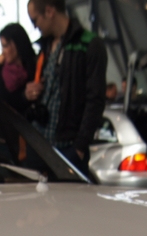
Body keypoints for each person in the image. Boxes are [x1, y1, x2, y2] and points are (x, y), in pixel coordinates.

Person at [24, 0, 108, 174]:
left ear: (49, 12)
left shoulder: (90, 45)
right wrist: (29, 93)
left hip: (67, 148)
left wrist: (79, 147)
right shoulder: (44, 48)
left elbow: (95, 100)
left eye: (35, 20)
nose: (35, 26)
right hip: (39, 145)